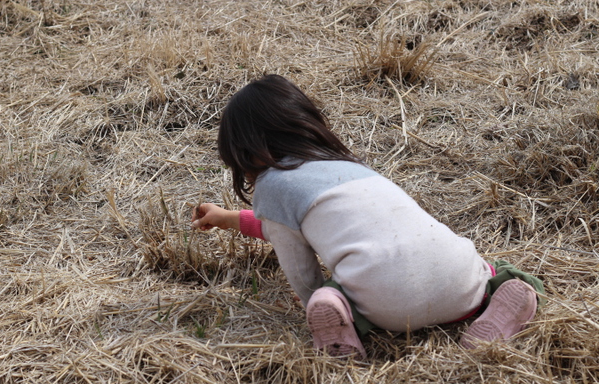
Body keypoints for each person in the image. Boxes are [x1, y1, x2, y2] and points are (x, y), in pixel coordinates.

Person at [191, 74, 544, 358]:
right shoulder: (345, 166)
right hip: (461, 282)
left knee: (333, 295)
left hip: (387, 306)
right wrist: (226, 217)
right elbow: (281, 225)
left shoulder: (273, 186)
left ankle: (340, 317)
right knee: (493, 272)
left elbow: (296, 258)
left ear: (246, 152)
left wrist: (312, 295)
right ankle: (501, 301)